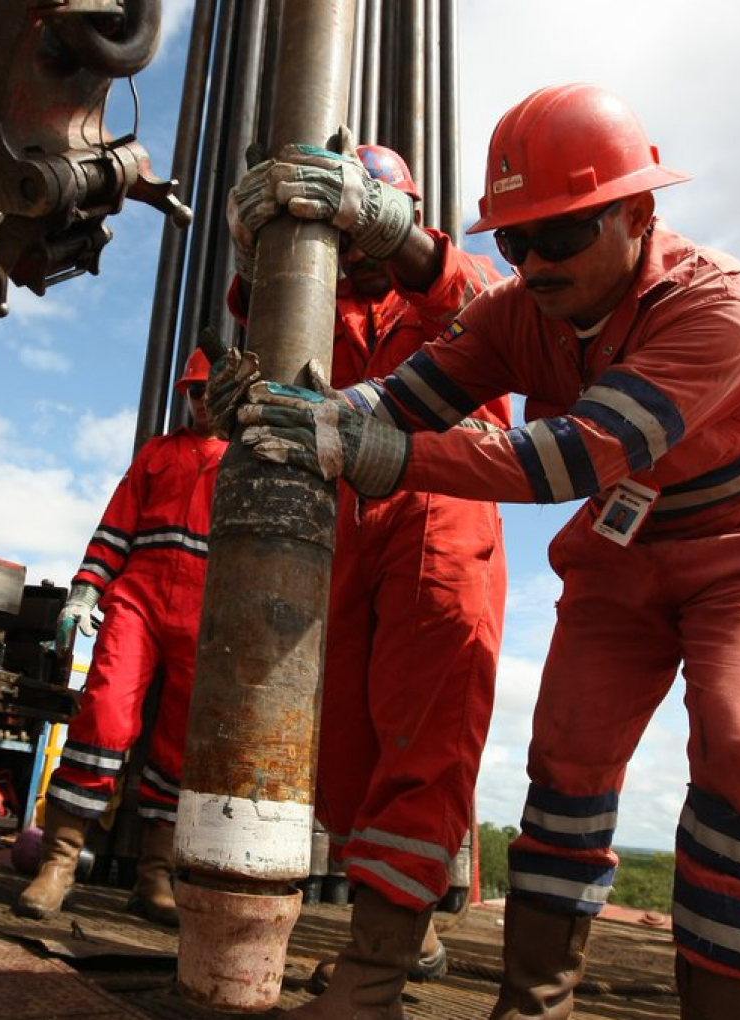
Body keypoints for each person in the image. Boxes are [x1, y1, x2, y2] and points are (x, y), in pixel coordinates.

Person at [220, 83, 740, 1020]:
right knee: (565, 761)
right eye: (515, 241)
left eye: (562, 236)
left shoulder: (720, 304)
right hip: (622, 548)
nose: (536, 262)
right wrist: (305, 414)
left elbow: (570, 455)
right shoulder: (522, 311)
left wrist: (373, 449)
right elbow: (407, 394)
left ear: (638, 213)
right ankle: (531, 1006)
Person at [227, 144, 509, 994]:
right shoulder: (322, 305)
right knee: (340, 746)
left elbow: (499, 315)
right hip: (344, 518)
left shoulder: (466, 287)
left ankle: (377, 968)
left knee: (424, 726)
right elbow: (261, 354)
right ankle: (401, 926)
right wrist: (261, 259)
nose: (351, 248)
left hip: (442, 503)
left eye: (363, 222)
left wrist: (400, 236)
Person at [14, 347, 224, 927]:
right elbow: (114, 530)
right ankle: (57, 863)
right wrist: (85, 590)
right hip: (140, 597)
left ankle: (154, 874)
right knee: (104, 715)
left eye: (211, 390)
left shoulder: (245, 459)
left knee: (180, 746)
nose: (202, 401)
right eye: (195, 390)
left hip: (208, 610)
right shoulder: (157, 455)